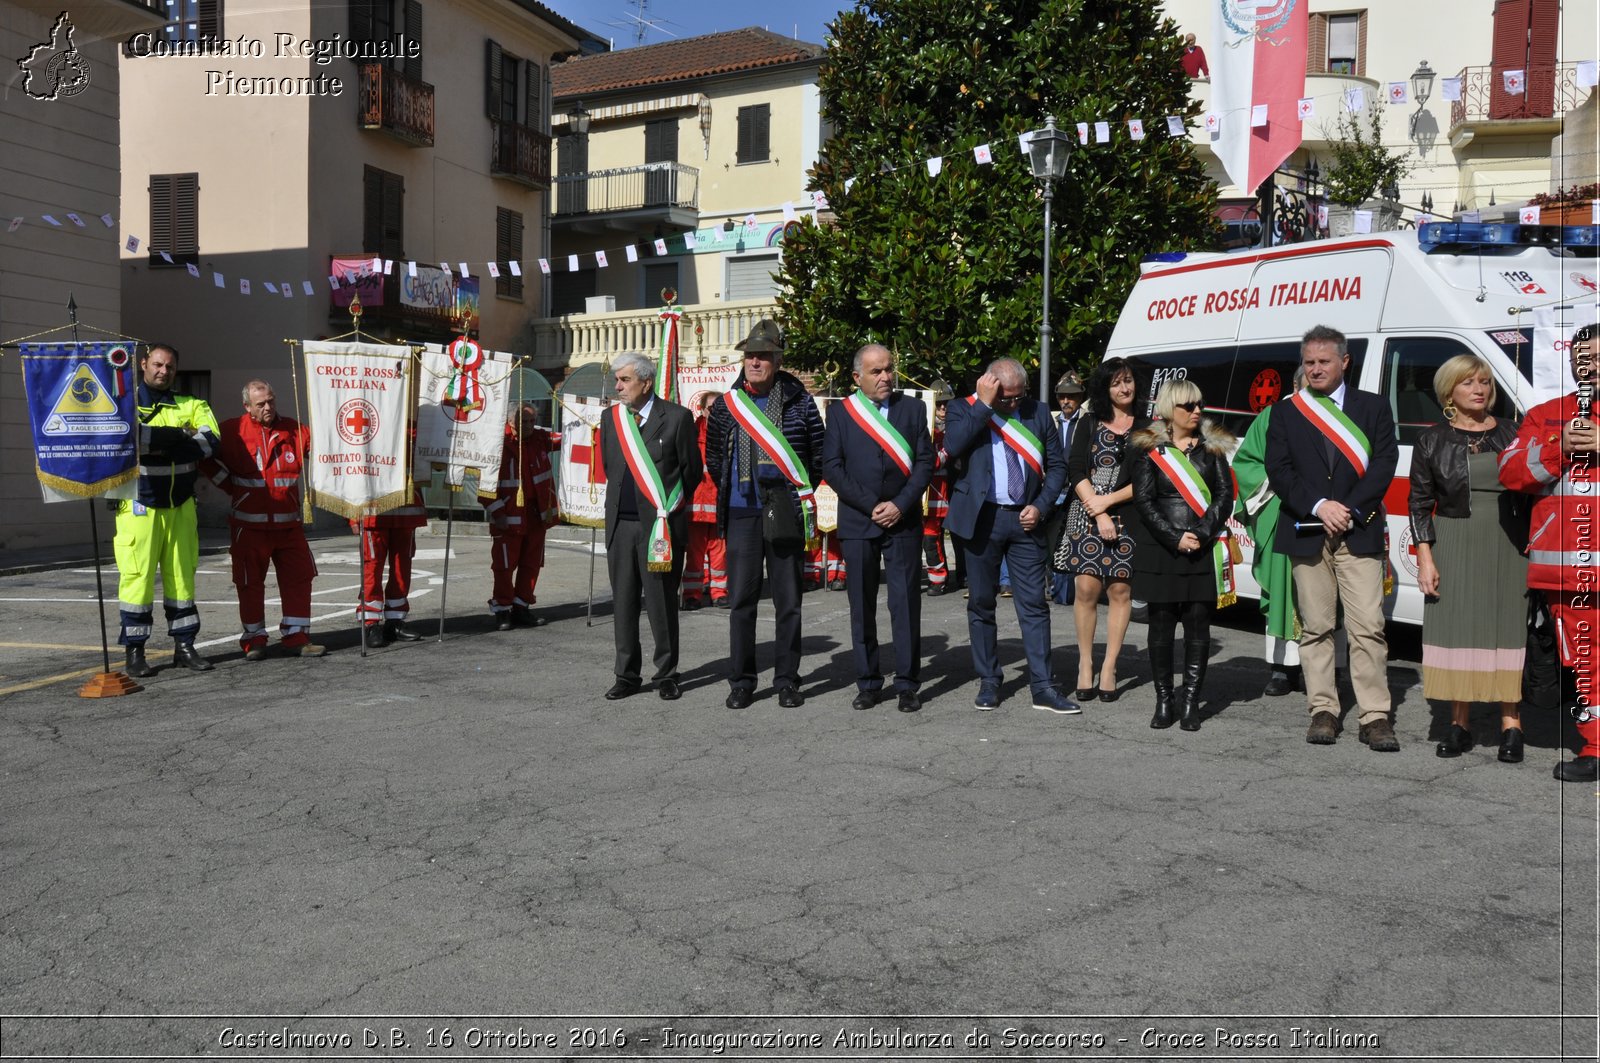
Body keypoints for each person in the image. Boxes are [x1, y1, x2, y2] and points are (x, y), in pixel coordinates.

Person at [1265, 324, 1400, 750]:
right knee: (1317, 626)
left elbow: (1383, 464)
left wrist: (1350, 508)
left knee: (1368, 627)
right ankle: (1323, 710)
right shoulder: (1287, 411)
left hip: (1358, 530)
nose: (1315, 369)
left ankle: (1374, 716)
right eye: (1309, 363)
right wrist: (1319, 505)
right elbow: (1279, 470)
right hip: (1307, 530)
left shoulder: (1374, 407)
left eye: (1324, 362)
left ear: (1345, 362)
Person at [1409, 355, 1526, 761]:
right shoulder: (1431, 439)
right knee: (1460, 628)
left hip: (1510, 540)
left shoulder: (1514, 431)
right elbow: (1420, 504)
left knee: (1506, 626)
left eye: (1485, 382)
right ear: (1449, 391)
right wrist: (1425, 557)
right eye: (1468, 382)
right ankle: (1459, 724)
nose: (1479, 389)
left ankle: (1512, 725)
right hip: (1454, 539)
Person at [705, 319, 826, 709]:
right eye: (749, 356)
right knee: (742, 601)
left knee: (788, 601)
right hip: (742, 512)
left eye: (762, 356)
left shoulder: (799, 399)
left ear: (776, 359)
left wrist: (792, 492)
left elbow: (816, 454)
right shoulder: (726, 404)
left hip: (785, 512)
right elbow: (714, 459)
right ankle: (742, 681)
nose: (754, 362)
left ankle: (788, 679)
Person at [944, 357, 1075, 714]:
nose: (1015, 404)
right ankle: (989, 680)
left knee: (1033, 605)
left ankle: (1044, 686)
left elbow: (1058, 465)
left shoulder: (1038, 412)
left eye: (1020, 396)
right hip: (981, 520)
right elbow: (953, 446)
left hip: (1025, 520)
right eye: (1007, 398)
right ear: (989, 385)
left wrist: (1042, 505)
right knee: (982, 603)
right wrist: (985, 406)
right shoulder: (963, 408)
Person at [1500, 323, 1600, 782]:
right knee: (1587, 663)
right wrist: (1560, 446)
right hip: (1568, 573)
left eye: (1597, 356)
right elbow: (1511, 471)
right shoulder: (1546, 415)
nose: (1589, 365)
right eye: (1582, 357)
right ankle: (1595, 748)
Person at [821, 343, 935, 713]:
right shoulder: (841, 413)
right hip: (859, 520)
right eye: (876, 372)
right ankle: (868, 682)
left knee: (905, 604)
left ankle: (907, 683)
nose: (886, 377)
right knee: (862, 605)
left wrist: (899, 505)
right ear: (857, 377)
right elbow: (832, 467)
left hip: (902, 521)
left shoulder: (913, 409)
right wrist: (872, 506)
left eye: (889, 369)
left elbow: (924, 463)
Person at [1126, 380, 1236, 731]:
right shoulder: (1149, 448)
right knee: (1160, 628)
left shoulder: (1212, 447)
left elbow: (1224, 496)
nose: (1197, 411)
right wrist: (1175, 538)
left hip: (1201, 551)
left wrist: (1201, 534)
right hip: (1162, 550)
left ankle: (1190, 700)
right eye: (1188, 406)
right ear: (1170, 409)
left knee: (1198, 626)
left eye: (1199, 404)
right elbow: (1144, 500)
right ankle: (1164, 699)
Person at [599, 352, 703, 701]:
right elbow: (610, 468)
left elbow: (692, 472)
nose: (618, 387)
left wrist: (665, 509)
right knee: (624, 603)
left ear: (645, 382)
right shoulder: (611, 419)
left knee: (661, 603)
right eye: (617, 380)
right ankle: (626, 675)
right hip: (620, 527)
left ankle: (666, 673)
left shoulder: (676, 418)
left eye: (625, 380)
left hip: (660, 529)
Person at [115, 343, 220, 677]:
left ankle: (185, 647)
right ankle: (135, 652)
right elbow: (126, 439)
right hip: (138, 503)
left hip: (181, 505)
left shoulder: (192, 403)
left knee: (182, 579)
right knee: (137, 581)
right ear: (144, 363)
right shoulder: (123, 403)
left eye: (170, 367)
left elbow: (211, 441)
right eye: (157, 365)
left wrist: (157, 444)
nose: (163, 372)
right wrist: (179, 437)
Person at [207, 379, 324, 660]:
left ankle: (296, 636)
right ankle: (254, 638)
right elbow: (205, 459)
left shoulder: (294, 430)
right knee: (249, 583)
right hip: (249, 527)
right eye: (261, 404)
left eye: (271, 401)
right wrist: (230, 487)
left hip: (289, 526)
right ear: (247, 406)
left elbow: (325, 452)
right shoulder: (231, 430)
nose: (268, 407)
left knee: (299, 578)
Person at [1055, 357, 1148, 702]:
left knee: (1121, 592)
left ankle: (1109, 666)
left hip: (1129, 514)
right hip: (1087, 512)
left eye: (1128, 381)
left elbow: (1149, 479)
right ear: (1104, 388)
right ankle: (1085, 665)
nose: (1124, 389)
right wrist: (1097, 508)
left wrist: (1108, 503)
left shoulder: (1148, 425)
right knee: (1086, 590)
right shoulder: (1090, 420)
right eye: (1116, 383)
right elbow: (1075, 468)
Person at [1232, 368, 1307, 697]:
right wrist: (1282, 485)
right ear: (1295, 384)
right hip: (1282, 513)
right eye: (1307, 381)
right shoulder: (1272, 418)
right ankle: (1281, 667)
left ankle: (1321, 667)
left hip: (1324, 518)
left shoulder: (1337, 417)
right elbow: (1246, 462)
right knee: (1282, 587)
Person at [484, 401, 557, 631]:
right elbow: (482, 482)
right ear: (510, 421)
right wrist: (496, 510)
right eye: (523, 421)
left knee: (532, 563)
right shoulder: (495, 442)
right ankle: (502, 610)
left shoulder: (540, 439)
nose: (528, 426)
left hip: (536, 514)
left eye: (532, 421)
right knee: (504, 566)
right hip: (508, 515)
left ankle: (521, 606)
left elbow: (571, 435)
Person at [355, 478, 427, 648]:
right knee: (372, 568)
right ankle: (370, 623)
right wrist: (351, 516)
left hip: (405, 506)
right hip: (373, 510)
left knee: (402, 567)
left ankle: (395, 620)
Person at [683, 391, 728, 610]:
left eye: (720, 408)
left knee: (720, 554)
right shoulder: (690, 434)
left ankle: (719, 593)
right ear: (701, 410)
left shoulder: (728, 434)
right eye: (712, 408)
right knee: (694, 555)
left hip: (720, 506)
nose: (716, 412)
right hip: (694, 508)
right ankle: (692, 594)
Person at [1048, 371, 1087, 607]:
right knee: (1051, 539)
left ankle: (1070, 589)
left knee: (1073, 539)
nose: (1066, 401)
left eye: (1071, 397)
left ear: (1080, 398)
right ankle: (1053, 583)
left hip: (1078, 488)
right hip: (1053, 488)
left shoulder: (1087, 421)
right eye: (1062, 396)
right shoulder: (1051, 421)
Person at [923, 381, 955, 594]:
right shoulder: (925, 428)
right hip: (927, 490)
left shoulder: (953, 429)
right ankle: (937, 577)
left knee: (934, 536)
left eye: (946, 404)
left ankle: (941, 578)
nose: (943, 409)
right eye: (939, 404)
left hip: (945, 489)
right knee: (929, 536)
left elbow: (937, 460)